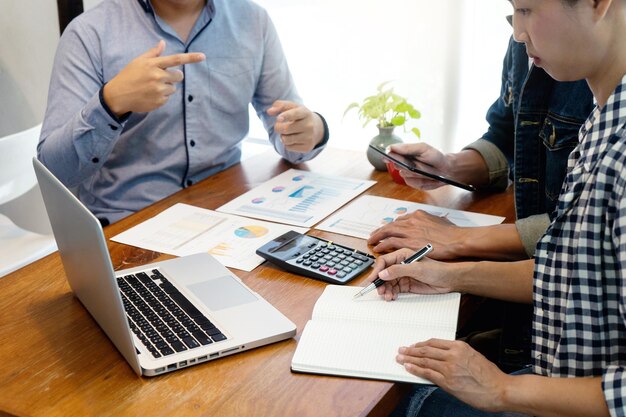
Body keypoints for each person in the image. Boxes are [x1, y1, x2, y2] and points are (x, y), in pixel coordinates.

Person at [367, 0, 626, 415]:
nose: (518, 35)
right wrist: (448, 275)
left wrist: (502, 390)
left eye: (526, 10)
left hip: (572, 391)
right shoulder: (605, 118)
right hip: (562, 372)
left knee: (402, 400)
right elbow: (579, 273)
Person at [38, 0, 329, 225]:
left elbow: (289, 129)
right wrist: (111, 102)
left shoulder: (253, 20)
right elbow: (55, 171)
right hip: (128, 225)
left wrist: (312, 131)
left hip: (227, 215)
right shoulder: (90, 33)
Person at [368, 37, 594, 261]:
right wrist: (448, 166)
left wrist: (458, 238)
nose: (517, 32)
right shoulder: (521, 44)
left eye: (525, 10)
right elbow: (507, 137)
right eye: (512, 9)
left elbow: (584, 234)